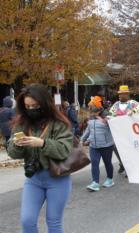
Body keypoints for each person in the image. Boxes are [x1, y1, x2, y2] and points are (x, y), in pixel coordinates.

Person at [7, 84, 73, 233]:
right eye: (28, 106)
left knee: (53, 221)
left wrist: (42, 143)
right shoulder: (22, 124)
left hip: (57, 178)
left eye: (35, 106)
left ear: (44, 104)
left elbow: (64, 150)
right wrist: (18, 145)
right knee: (27, 221)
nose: (31, 110)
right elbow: (13, 153)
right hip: (33, 179)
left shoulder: (59, 123)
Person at [82, 96, 115, 191]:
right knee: (94, 163)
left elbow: (115, 126)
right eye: (90, 106)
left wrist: (109, 122)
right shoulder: (91, 116)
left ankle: (110, 179)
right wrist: (83, 139)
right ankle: (95, 183)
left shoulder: (107, 115)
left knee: (107, 163)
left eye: (91, 106)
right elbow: (89, 129)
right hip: (94, 146)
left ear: (97, 106)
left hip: (106, 145)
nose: (90, 108)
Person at [109, 85, 139, 174]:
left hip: (131, 133)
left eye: (122, 94)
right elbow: (111, 115)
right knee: (117, 149)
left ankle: (130, 168)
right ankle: (122, 164)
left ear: (127, 95)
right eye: (119, 94)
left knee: (130, 151)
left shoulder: (134, 104)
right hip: (119, 133)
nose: (120, 96)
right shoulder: (116, 105)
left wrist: (133, 114)